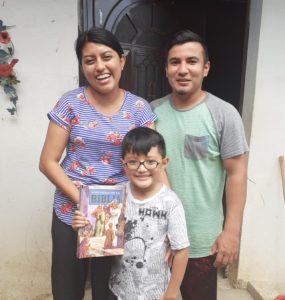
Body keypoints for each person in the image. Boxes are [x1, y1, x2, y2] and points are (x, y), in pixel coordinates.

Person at [39, 27, 157, 300]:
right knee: (68, 289)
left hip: (119, 215)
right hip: (72, 213)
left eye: (107, 57)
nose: (100, 66)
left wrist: (164, 213)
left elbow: (152, 166)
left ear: (122, 60)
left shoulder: (139, 109)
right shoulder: (70, 103)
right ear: (82, 66)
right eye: (89, 60)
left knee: (110, 291)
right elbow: (47, 162)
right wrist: (84, 203)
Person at [151, 29, 248, 300]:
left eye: (192, 62)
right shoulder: (151, 113)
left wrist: (231, 232)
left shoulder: (223, 114)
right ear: (167, 69)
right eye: (175, 62)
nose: (183, 69)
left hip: (201, 240)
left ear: (205, 68)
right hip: (157, 236)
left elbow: (237, 174)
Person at [73, 127, 189, 300]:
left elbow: (181, 251)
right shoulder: (113, 198)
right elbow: (97, 241)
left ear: (164, 163)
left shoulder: (171, 202)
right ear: (123, 165)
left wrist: (171, 294)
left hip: (156, 294)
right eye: (133, 162)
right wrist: (84, 225)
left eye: (150, 161)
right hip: (117, 291)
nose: (141, 169)